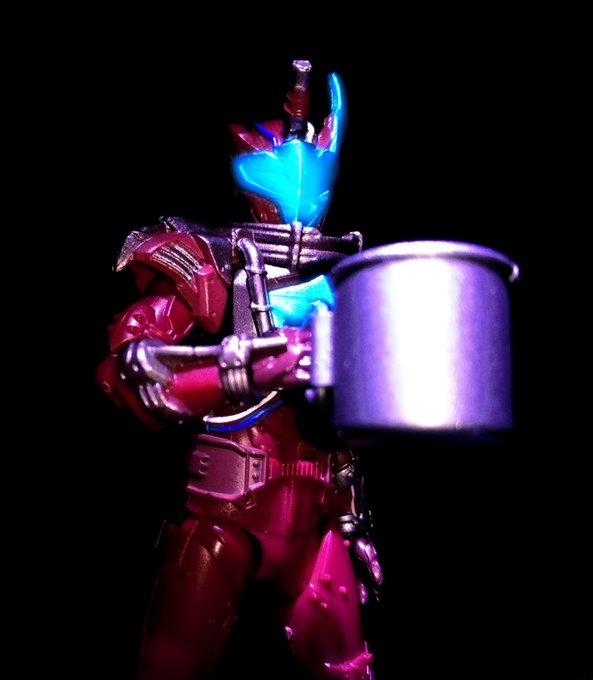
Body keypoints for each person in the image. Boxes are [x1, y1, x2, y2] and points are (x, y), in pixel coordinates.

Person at [97, 59, 382, 680]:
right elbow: (127, 372)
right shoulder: (211, 263)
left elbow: (355, 417)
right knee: (170, 666)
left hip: (314, 521)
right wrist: (239, 371)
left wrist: (352, 513)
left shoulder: (349, 276)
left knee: (348, 670)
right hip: (224, 515)